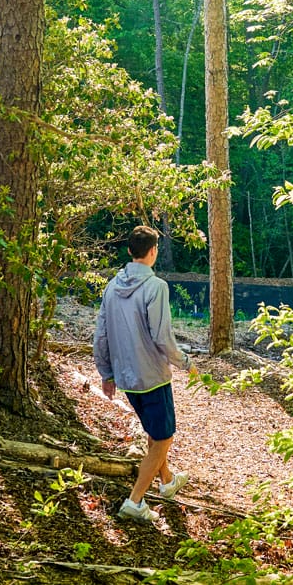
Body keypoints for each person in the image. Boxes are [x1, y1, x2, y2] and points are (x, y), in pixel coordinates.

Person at [94, 224, 195, 523]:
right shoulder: (156, 287)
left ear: (129, 251)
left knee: (154, 431)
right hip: (152, 376)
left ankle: (167, 481)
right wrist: (186, 362)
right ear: (153, 252)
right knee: (163, 438)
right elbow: (162, 337)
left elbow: (100, 334)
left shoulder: (112, 286)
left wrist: (107, 373)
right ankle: (134, 501)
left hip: (126, 377)